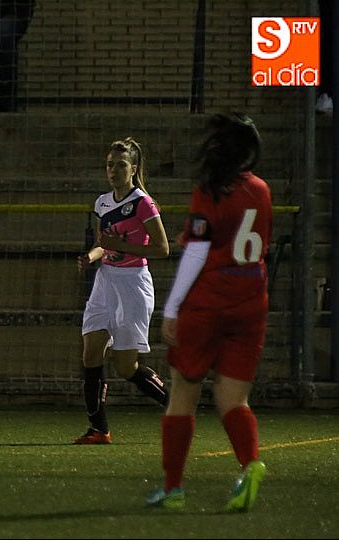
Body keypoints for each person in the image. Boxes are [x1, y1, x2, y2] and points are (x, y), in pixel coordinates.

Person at [147, 113, 271, 511]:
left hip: (210, 301)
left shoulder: (211, 192)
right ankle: (250, 464)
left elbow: (198, 251)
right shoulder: (262, 190)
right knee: (234, 398)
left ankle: (173, 489)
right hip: (251, 300)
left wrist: (172, 306)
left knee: (183, 391)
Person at [74, 137, 171, 445]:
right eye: (109, 165)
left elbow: (162, 249)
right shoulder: (103, 202)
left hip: (133, 285)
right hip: (105, 282)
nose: (113, 170)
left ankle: (177, 408)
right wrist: (90, 257)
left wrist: (120, 246)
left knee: (125, 366)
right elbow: (104, 243)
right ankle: (99, 430)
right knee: (91, 353)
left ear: (134, 169)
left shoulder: (144, 203)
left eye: (120, 165)